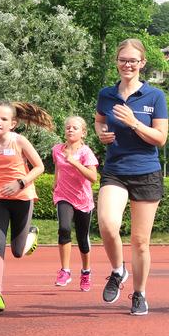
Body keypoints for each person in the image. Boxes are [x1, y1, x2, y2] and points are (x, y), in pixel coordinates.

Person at [95, 38, 169, 316]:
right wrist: (101, 134)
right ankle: (117, 269)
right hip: (116, 170)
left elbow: (160, 139)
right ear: (117, 62)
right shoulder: (106, 94)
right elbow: (100, 119)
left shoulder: (155, 97)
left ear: (142, 64)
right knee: (107, 223)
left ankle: (139, 293)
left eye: (132, 61)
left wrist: (134, 123)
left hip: (146, 172)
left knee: (140, 241)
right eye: (123, 60)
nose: (127, 65)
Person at [0, 101, 52, 312]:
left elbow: (40, 167)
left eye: (3, 119)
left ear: (13, 123)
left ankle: (31, 233)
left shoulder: (19, 141)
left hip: (22, 198)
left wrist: (20, 183)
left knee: (18, 251)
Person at [52, 116, 99, 291]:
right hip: (63, 196)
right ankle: (65, 270)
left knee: (82, 239)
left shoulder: (86, 152)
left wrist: (74, 162)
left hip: (83, 200)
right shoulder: (57, 150)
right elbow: (58, 167)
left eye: (75, 128)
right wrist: (55, 185)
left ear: (83, 132)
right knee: (64, 229)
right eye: (68, 127)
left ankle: (86, 272)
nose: (70, 130)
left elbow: (93, 178)